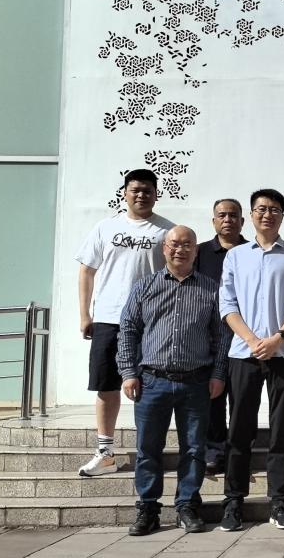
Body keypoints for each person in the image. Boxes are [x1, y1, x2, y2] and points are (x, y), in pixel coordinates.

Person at [117, 226, 227, 536]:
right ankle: (148, 508)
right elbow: (128, 330)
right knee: (148, 449)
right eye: (174, 244)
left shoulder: (211, 289)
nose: (180, 249)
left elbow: (221, 336)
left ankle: (187, 505)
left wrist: (218, 374)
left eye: (187, 244)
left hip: (196, 382)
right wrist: (128, 372)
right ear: (164, 249)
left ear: (196, 251)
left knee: (193, 449)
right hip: (152, 381)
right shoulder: (145, 287)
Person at [217, 188, 284, 532]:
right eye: (261, 209)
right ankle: (233, 501)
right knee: (239, 429)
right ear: (251, 215)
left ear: (282, 216)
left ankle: (280, 501)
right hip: (244, 354)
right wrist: (253, 340)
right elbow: (227, 304)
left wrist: (277, 338)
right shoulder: (236, 256)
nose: (267, 214)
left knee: (281, 431)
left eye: (273, 209)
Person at [75, 169, 175, 477]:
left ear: (156, 194)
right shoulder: (106, 227)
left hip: (151, 321)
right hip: (109, 317)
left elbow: (176, 276)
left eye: (147, 190)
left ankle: (149, 450)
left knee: (149, 386)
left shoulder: (167, 231)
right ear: (125, 193)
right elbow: (87, 271)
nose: (141, 195)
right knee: (106, 385)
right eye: (135, 190)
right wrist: (85, 315)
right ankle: (105, 452)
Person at [193, 199, 246, 476]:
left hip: (245, 335)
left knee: (242, 397)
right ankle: (213, 450)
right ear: (213, 221)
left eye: (233, 215)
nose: (227, 220)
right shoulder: (199, 252)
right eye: (222, 215)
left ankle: (239, 449)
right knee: (213, 396)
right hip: (209, 335)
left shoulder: (252, 251)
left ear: (242, 221)